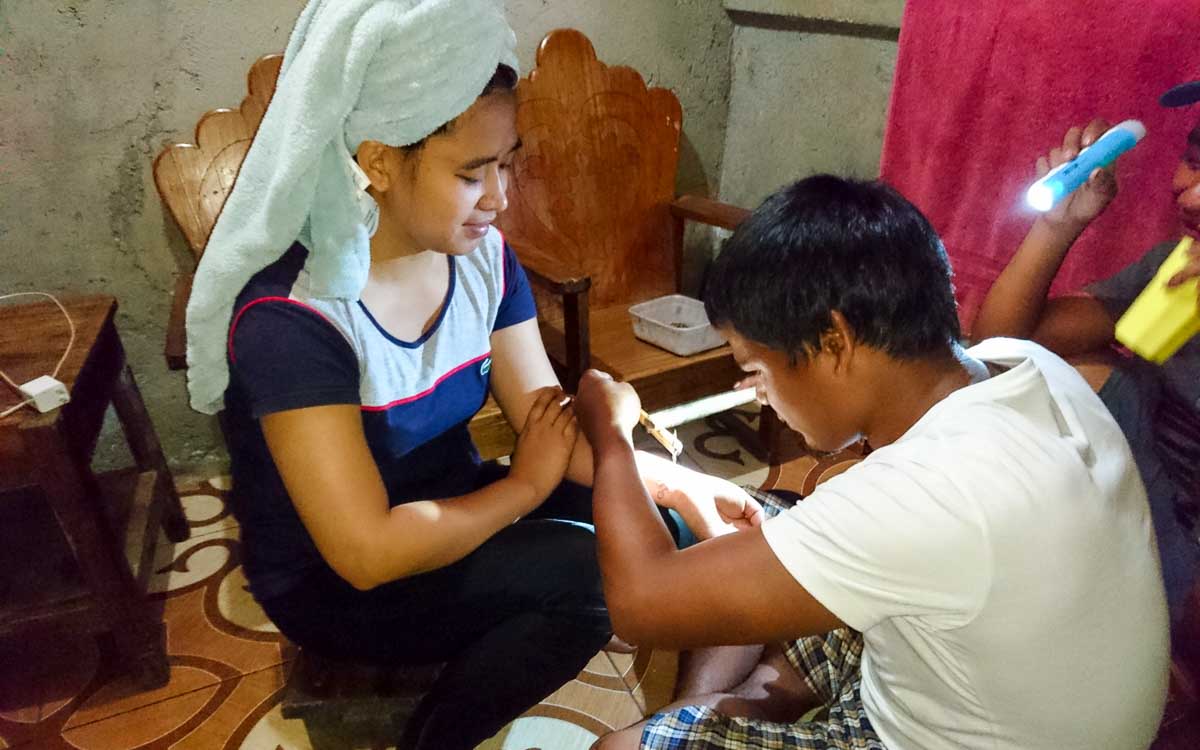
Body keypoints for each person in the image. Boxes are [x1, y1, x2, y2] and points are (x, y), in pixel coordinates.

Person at [183, 1, 761, 748]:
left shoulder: (481, 257)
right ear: (379, 160)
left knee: (666, 524)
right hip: (342, 580)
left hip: (450, 504)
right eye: (471, 173)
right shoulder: (296, 319)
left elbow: (543, 420)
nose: (501, 197)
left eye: (506, 163)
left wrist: (683, 484)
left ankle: (681, 724)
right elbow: (365, 552)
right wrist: (522, 489)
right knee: (591, 579)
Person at [574, 175, 1169, 750]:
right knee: (769, 519)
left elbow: (643, 603)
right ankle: (723, 706)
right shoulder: (1028, 366)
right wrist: (683, 487)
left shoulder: (923, 494)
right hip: (1022, 699)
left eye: (755, 369)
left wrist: (612, 430)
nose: (758, 394)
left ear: (834, 343)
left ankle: (715, 716)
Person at [973, 81, 1200, 624]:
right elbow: (1002, 348)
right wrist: (1060, 223)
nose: (1190, 194)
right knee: (1056, 376)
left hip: (1179, 547)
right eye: (1193, 160)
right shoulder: (1175, 267)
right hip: (1141, 494)